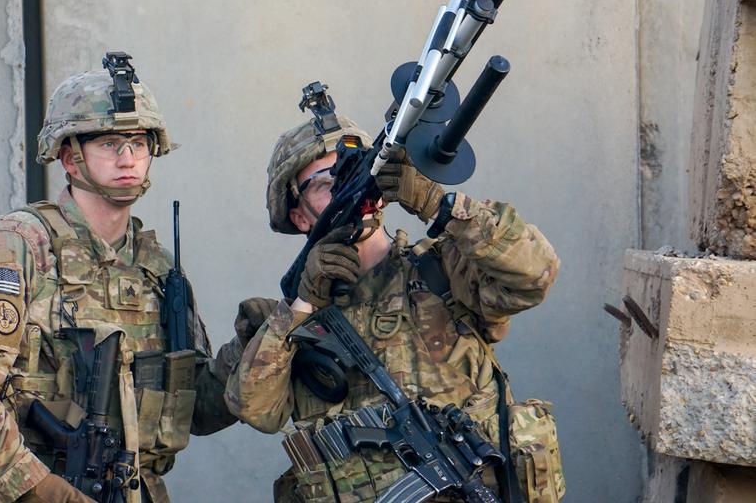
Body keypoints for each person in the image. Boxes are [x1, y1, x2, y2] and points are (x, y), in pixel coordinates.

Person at [0, 53, 237, 503]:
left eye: (138, 144)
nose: (128, 159)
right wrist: (36, 486)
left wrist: (256, 345)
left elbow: (193, 410)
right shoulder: (17, 245)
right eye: (108, 144)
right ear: (69, 156)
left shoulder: (158, 267)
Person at [225, 109, 563, 502]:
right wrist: (304, 301)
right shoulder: (295, 322)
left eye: (351, 170)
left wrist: (441, 205)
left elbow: (535, 273)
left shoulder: (443, 271)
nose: (343, 187)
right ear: (299, 216)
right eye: (323, 183)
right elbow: (255, 408)